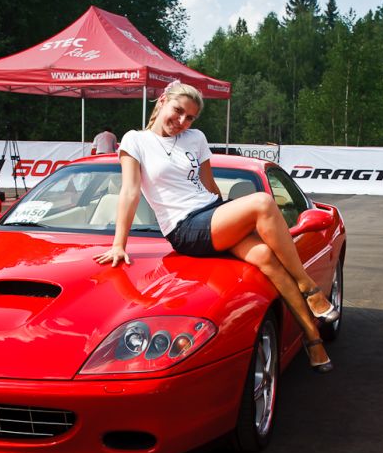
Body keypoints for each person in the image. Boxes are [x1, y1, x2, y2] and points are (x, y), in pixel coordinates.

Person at [93, 81, 339, 372]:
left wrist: (230, 216)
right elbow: (130, 192)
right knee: (262, 202)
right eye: (178, 111)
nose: (182, 121)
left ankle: (312, 339)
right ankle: (309, 288)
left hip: (212, 213)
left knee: (266, 258)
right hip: (184, 227)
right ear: (162, 101)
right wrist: (119, 244)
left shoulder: (195, 137)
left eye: (190, 117)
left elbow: (209, 185)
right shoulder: (135, 140)